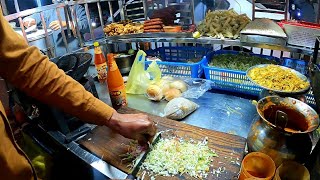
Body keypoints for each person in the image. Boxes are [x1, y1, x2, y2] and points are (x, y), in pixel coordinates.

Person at [0, 7, 156, 180]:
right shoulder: (48, 10)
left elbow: (29, 67)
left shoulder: (76, 8)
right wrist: (30, 20)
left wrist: (112, 117)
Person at [23, 0, 89, 57]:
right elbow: (29, 18)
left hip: (77, 53)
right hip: (57, 57)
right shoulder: (48, 11)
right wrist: (28, 21)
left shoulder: (76, 8)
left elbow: (87, 26)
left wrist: (67, 24)